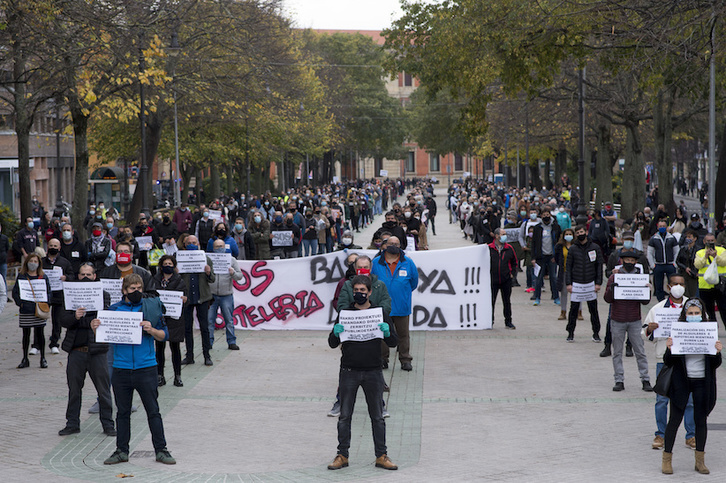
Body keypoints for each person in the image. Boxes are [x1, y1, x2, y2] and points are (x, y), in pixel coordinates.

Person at [91, 274, 176, 466]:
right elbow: (104, 338)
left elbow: (164, 335)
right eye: (132, 289)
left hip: (146, 368)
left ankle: (161, 449)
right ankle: (121, 451)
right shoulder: (113, 310)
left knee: (153, 411)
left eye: (139, 288)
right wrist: (95, 327)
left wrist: (152, 330)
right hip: (121, 369)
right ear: (124, 291)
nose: (136, 292)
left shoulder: (150, 308)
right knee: (122, 413)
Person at [327, 275, 398, 471]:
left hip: (373, 371)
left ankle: (381, 455)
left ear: (370, 292)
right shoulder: (345, 313)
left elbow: (393, 342)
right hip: (349, 370)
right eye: (356, 290)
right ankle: (342, 455)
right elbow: (332, 343)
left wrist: (387, 331)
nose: (359, 294)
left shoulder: (379, 313)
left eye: (362, 291)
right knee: (344, 416)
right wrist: (335, 332)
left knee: (377, 416)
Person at [661, 298, 722, 475]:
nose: (694, 316)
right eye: (690, 313)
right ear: (685, 314)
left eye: (697, 313)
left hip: (702, 381)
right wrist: (669, 348)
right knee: (675, 419)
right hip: (682, 381)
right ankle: (667, 458)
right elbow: (668, 361)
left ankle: (700, 460)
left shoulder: (708, 331)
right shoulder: (678, 331)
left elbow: (715, 364)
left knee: (700, 421)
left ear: (702, 314)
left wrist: (718, 351)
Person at [58, 263, 115, 436]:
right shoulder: (69, 295)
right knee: (74, 390)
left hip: (98, 351)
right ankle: (72, 423)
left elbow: (101, 318)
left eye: (88, 274)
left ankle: (108, 425)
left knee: (104, 391)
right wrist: (77, 318)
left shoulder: (103, 295)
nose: (85, 277)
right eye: (82, 274)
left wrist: (81, 322)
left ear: (95, 276)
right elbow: (63, 320)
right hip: (76, 351)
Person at [642, 274, 695, 450]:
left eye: (681, 284)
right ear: (668, 286)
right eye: (674, 284)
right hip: (663, 359)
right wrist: (650, 329)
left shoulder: (694, 307)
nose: (678, 287)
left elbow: (705, 327)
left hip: (688, 359)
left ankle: (691, 435)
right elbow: (644, 332)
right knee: (662, 399)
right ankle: (660, 435)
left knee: (689, 400)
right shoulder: (657, 309)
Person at [602, 250, 652, 391]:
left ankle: (645, 379)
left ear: (636, 262)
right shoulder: (614, 277)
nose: (629, 263)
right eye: (626, 260)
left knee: (640, 351)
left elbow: (645, 301)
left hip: (634, 319)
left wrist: (647, 290)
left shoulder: (641, 277)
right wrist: (612, 289)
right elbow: (607, 299)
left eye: (632, 260)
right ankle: (619, 380)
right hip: (617, 319)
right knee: (617, 352)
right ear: (621, 261)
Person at [371, 236, 418, 371]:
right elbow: (371, 281)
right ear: (385, 245)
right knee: (382, 333)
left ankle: (405, 359)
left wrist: (402, 292)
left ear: (400, 246)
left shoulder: (408, 263)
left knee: (403, 335)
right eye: (391, 243)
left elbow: (413, 282)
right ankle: (383, 359)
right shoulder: (376, 263)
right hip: (382, 306)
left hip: (402, 305)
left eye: (396, 244)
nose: (393, 245)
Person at [179, 235, 215, 366]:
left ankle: (207, 355)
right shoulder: (180, 259)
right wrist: (177, 272)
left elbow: (212, 279)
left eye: (194, 242)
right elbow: (177, 280)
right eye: (189, 243)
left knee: (204, 328)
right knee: (187, 328)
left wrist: (208, 272)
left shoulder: (206, 259)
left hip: (203, 297)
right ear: (185, 244)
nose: (191, 244)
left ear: (198, 243)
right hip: (187, 298)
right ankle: (189, 356)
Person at [152, 255, 187, 387]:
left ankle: (177, 376)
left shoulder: (179, 280)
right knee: (159, 348)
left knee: (175, 348)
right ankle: (160, 375)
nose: (168, 265)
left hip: (174, 320)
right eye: (165, 263)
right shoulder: (155, 279)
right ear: (161, 266)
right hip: (160, 319)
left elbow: (185, 298)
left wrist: (184, 300)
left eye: (170, 263)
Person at [565, 225, 603, 342]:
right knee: (573, 311)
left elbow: (599, 266)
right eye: (577, 233)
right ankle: (570, 333)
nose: (580, 234)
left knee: (593, 310)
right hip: (576, 284)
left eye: (581, 232)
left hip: (590, 284)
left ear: (586, 232)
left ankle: (596, 333)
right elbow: (569, 267)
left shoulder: (595, 248)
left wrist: (598, 283)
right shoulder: (572, 249)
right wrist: (568, 283)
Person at [13, 253, 51, 368]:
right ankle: (25, 358)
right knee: (26, 335)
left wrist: (46, 303)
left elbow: (49, 291)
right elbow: (15, 292)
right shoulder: (22, 276)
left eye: (35, 261)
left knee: (40, 334)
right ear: (27, 262)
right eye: (31, 261)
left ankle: (43, 358)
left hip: (39, 309)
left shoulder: (43, 277)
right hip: (26, 310)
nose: (33, 264)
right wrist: (21, 304)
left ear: (39, 263)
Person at [208, 239, 243, 350]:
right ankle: (208, 342)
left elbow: (240, 276)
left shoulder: (232, 260)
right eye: (217, 246)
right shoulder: (208, 260)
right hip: (211, 295)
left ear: (225, 247)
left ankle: (231, 341)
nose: (219, 248)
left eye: (221, 246)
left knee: (229, 320)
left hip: (226, 295)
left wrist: (233, 273)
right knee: (209, 321)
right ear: (213, 248)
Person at [43, 238, 74, 354]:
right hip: (44, 295)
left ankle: (54, 343)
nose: (53, 248)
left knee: (57, 321)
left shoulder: (64, 262)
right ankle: (36, 344)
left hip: (58, 295)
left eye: (55, 246)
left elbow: (72, 275)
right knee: (40, 320)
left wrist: (67, 278)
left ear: (59, 248)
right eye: (51, 245)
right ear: (47, 247)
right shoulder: (42, 262)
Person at [693, 233, 726, 327]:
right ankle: (713, 329)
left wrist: (716, 256)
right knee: (708, 310)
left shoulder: (722, 250)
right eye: (708, 241)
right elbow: (697, 265)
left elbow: (724, 262)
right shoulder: (700, 253)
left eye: (712, 241)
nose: (710, 242)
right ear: (704, 242)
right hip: (705, 286)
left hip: (721, 285)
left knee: (724, 308)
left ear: (715, 241)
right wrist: (705, 256)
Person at [531, 206, 561, 306]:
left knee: (553, 277)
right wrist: (533, 257)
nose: (546, 216)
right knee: (539, 279)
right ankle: (537, 297)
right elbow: (534, 243)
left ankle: (556, 297)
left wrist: (557, 256)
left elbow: (559, 242)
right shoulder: (537, 228)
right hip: (541, 257)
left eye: (547, 214)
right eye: (544, 215)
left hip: (552, 257)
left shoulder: (556, 227)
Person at [489, 228, 517, 329]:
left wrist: (512, 274)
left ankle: (508, 321)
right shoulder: (489, 248)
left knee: (507, 301)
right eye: (503, 234)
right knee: (491, 301)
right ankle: (489, 321)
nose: (505, 236)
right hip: (493, 280)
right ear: (496, 236)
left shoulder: (509, 248)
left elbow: (515, 262)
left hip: (506, 280)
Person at [647, 220, 679, 301]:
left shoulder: (671, 238)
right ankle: (660, 301)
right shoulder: (654, 239)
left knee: (673, 285)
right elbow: (649, 253)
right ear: (657, 227)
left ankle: (672, 300)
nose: (662, 228)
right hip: (658, 265)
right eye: (660, 226)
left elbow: (676, 251)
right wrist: (652, 265)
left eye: (664, 226)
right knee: (658, 285)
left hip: (670, 265)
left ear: (667, 227)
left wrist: (674, 263)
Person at [554, 228, 575, 321]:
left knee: (576, 292)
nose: (568, 236)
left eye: (570, 234)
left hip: (575, 272)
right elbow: (557, 258)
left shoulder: (576, 246)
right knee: (564, 292)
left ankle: (579, 312)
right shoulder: (560, 246)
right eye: (567, 234)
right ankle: (563, 312)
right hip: (564, 271)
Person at [676, 230, 699, 298]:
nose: (687, 239)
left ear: (695, 239)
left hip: (693, 274)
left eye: (690, 237)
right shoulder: (683, 249)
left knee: (693, 293)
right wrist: (685, 268)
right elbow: (678, 261)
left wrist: (696, 272)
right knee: (685, 293)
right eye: (687, 237)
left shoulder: (698, 249)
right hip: (684, 273)